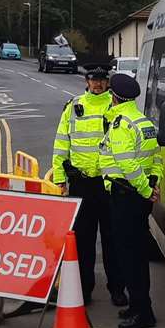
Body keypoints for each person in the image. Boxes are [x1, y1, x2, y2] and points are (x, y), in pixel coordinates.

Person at [51, 57, 119, 305]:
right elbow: (62, 142)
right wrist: (59, 176)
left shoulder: (115, 106)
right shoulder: (73, 106)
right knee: (83, 240)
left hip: (109, 182)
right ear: (86, 81)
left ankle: (117, 288)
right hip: (81, 183)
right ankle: (85, 288)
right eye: (94, 79)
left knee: (113, 239)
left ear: (107, 81)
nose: (98, 84)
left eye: (102, 79)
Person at [98, 73, 160, 328]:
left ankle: (143, 312)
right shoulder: (143, 121)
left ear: (113, 96)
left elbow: (128, 165)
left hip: (127, 196)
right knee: (136, 254)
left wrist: (146, 189)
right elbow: (155, 158)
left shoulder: (122, 125)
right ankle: (137, 305)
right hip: (138, 197)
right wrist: (153, 185)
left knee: (131, 256)